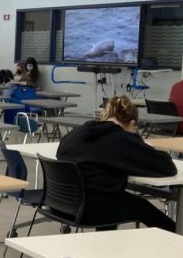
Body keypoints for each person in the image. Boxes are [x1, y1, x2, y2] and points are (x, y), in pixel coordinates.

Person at [57, 95, 176, 231]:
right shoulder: (121, 140)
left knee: (113, 196)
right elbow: (167, 167)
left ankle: (107, 247)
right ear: (132, 124)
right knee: (143, 207)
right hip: (91, 211)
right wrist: (139, 143)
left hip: (61, 205)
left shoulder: (75, 134)